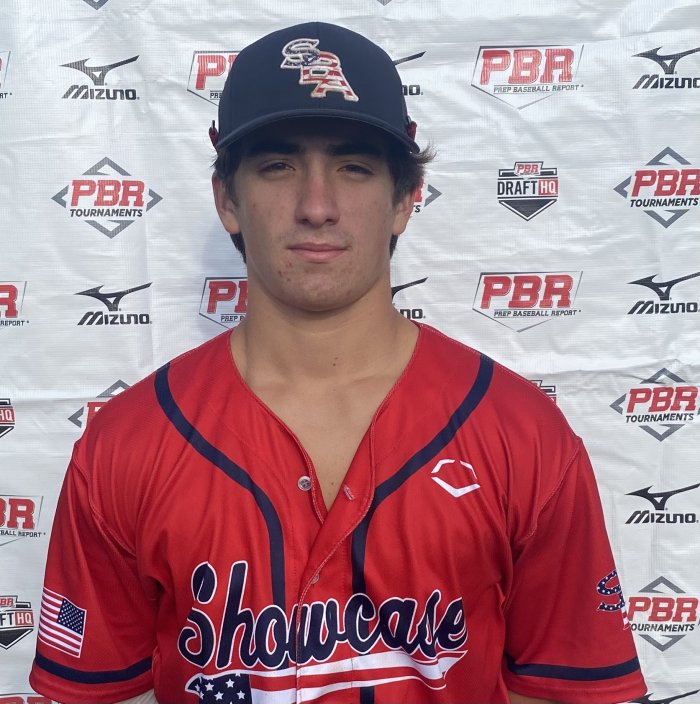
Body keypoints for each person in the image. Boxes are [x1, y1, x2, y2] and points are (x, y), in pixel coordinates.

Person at [30, 21, 646, 704]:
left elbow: (560, 688)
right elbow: (99, 690)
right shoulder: (128, 442)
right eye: (277, 166)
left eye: (354, 168)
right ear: (227, 200)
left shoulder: (520, 433)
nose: (316, 206)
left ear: (404, 200)